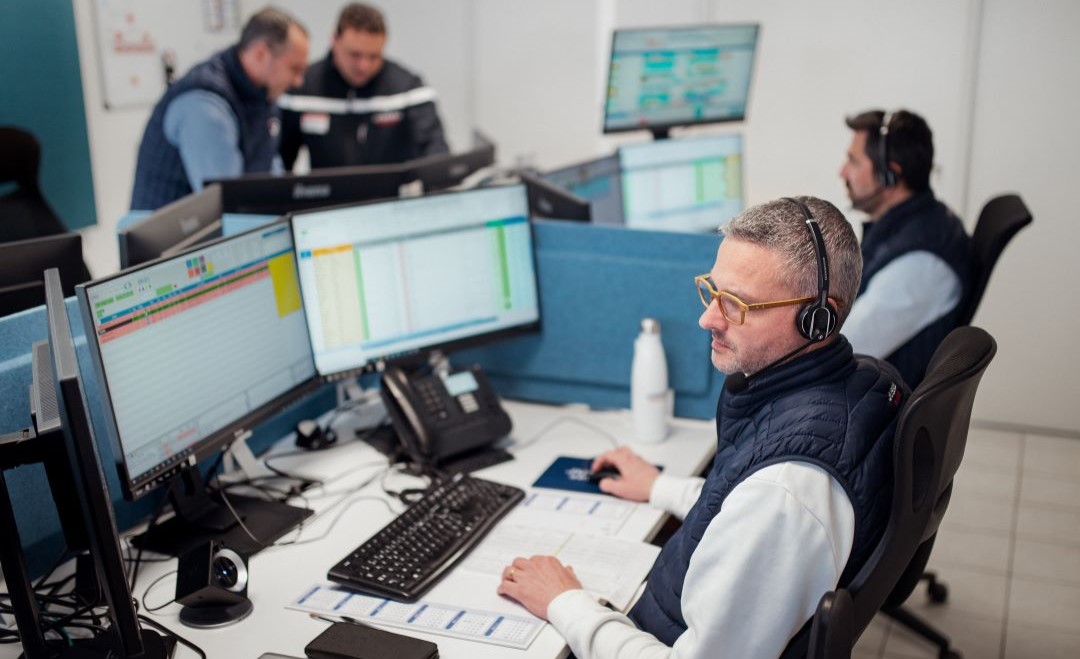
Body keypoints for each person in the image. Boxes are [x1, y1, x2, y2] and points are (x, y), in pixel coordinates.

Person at [497, 197, 908, 659]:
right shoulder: (853, 384)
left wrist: (565, 602)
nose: (708, 317)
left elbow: (768, 506)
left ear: (818, 318)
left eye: (736, 304)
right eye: (712, 291)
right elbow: (738, 510)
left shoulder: (785, 491)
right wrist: (660, 487)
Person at [839, 109, 974, 386]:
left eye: (853, 161)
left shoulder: (922, 262)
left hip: (867, 401)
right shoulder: (907, 225)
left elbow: (842, 348)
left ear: (890, 175)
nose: (842, 172)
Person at [130, 8, 309, 210]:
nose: (298, 81)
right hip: (172, 229)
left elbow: (270, 173)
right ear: (260, 54)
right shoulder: (205, 105)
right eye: (294, 69)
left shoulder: (264, 94)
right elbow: (228, 203)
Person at [278, 3, 449, 171]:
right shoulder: (301, 88)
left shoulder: (409, 91)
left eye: (374, 56)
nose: (363, 66)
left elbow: (437, 155)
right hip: (326, 190)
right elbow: (279, 161)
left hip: (392, 189)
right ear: (334, 40)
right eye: (355, 55)